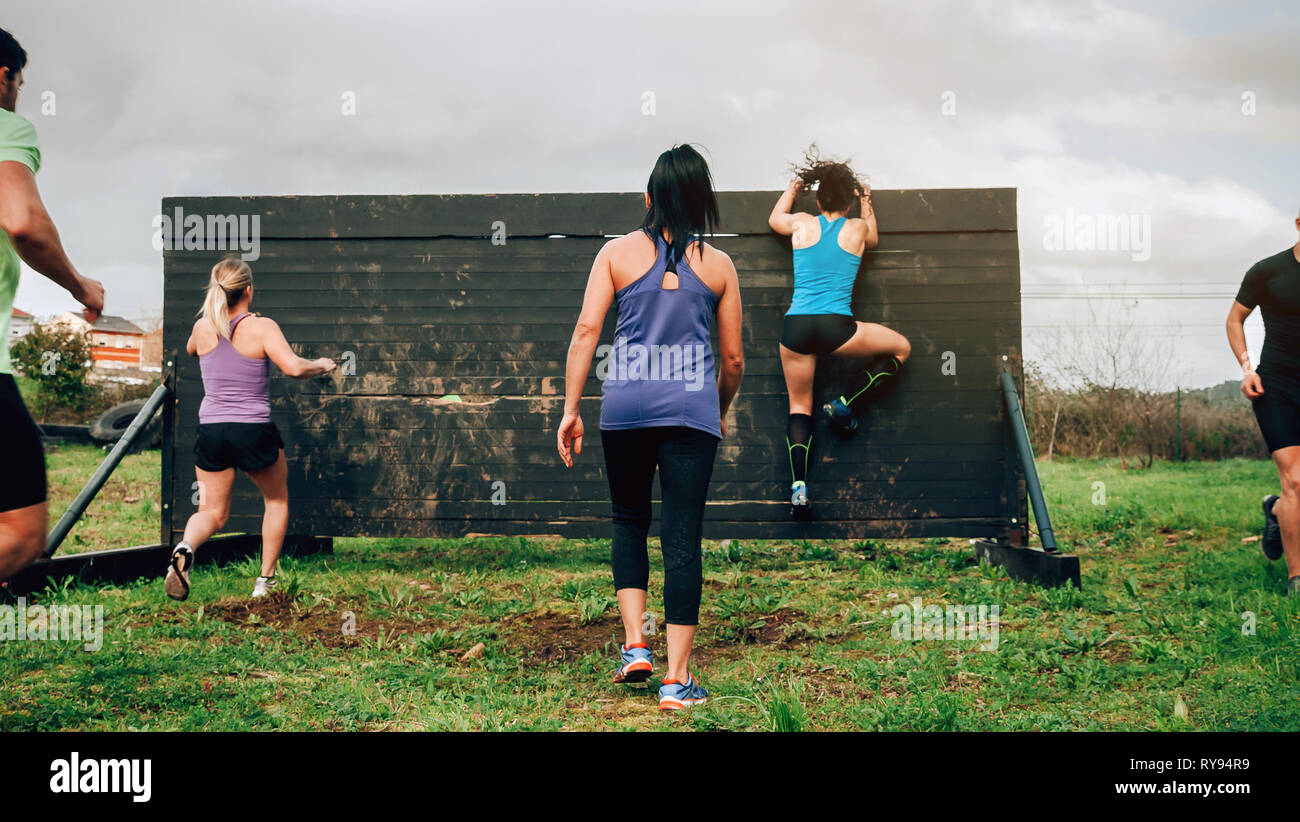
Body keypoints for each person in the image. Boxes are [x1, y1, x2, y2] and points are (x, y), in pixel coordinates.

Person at [556, 145, 744, 711]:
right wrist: (719, 406)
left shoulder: (614, 255)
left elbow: (588, 330)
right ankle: (675, 681)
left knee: (629, 521)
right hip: (691, 414)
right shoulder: (720, 266)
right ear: (700, 202)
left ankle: (636, 645)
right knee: (682, 538)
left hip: (625, 411)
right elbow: (732, 360)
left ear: (648, 199)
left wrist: (570, 409)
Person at [164, 256, 335, 601]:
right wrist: (321, 364)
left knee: (210, 511)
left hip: (212, 430)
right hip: (252, 430)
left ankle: (185, 547)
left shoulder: (202, 327)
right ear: (247, 290)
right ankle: (264, 582)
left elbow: (191, 349)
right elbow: (293, 368)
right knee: (275, 500)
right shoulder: (262, 327)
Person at [0, 29, 105, 583]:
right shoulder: (5, 125)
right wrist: (79, 286)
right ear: (4, 77)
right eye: (19, 83)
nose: (18, 94)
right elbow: (22, 222)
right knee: (20, 532)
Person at [768, 146, 910, 519]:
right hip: (836, 328)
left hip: (796, 326)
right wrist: (867, 201)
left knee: (800, 406)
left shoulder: (800, 223)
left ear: (818, 197)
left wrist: (791, 190)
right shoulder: (858, 229)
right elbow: (874, 237)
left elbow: (774, 220)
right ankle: (846, 403)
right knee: (901, 349)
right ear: (848, 199)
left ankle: (798, 488)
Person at [1227, 208, 1300, 597]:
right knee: (1297, 480)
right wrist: (1246, 367)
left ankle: (1274, 510)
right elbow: (1235, 318)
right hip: (1277, 386)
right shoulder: (1268, 271)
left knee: (1296, 489)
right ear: (1299, 225)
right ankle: (1296, 579)